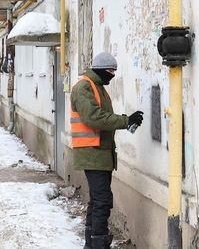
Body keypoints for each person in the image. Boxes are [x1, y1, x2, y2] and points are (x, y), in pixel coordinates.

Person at [70, 52, 144, 249]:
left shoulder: (98, 87)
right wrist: (125, 120)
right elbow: (93, 117)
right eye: (110, 71)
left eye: (114, 71)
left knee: (97, 201)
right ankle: (98, 244)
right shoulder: (84, 87)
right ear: (100, 69)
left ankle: (92, 243)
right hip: (91, 153)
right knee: (102, 200)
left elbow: (101, 117)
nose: (112, 74)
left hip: (100, 153)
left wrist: (126, 120)